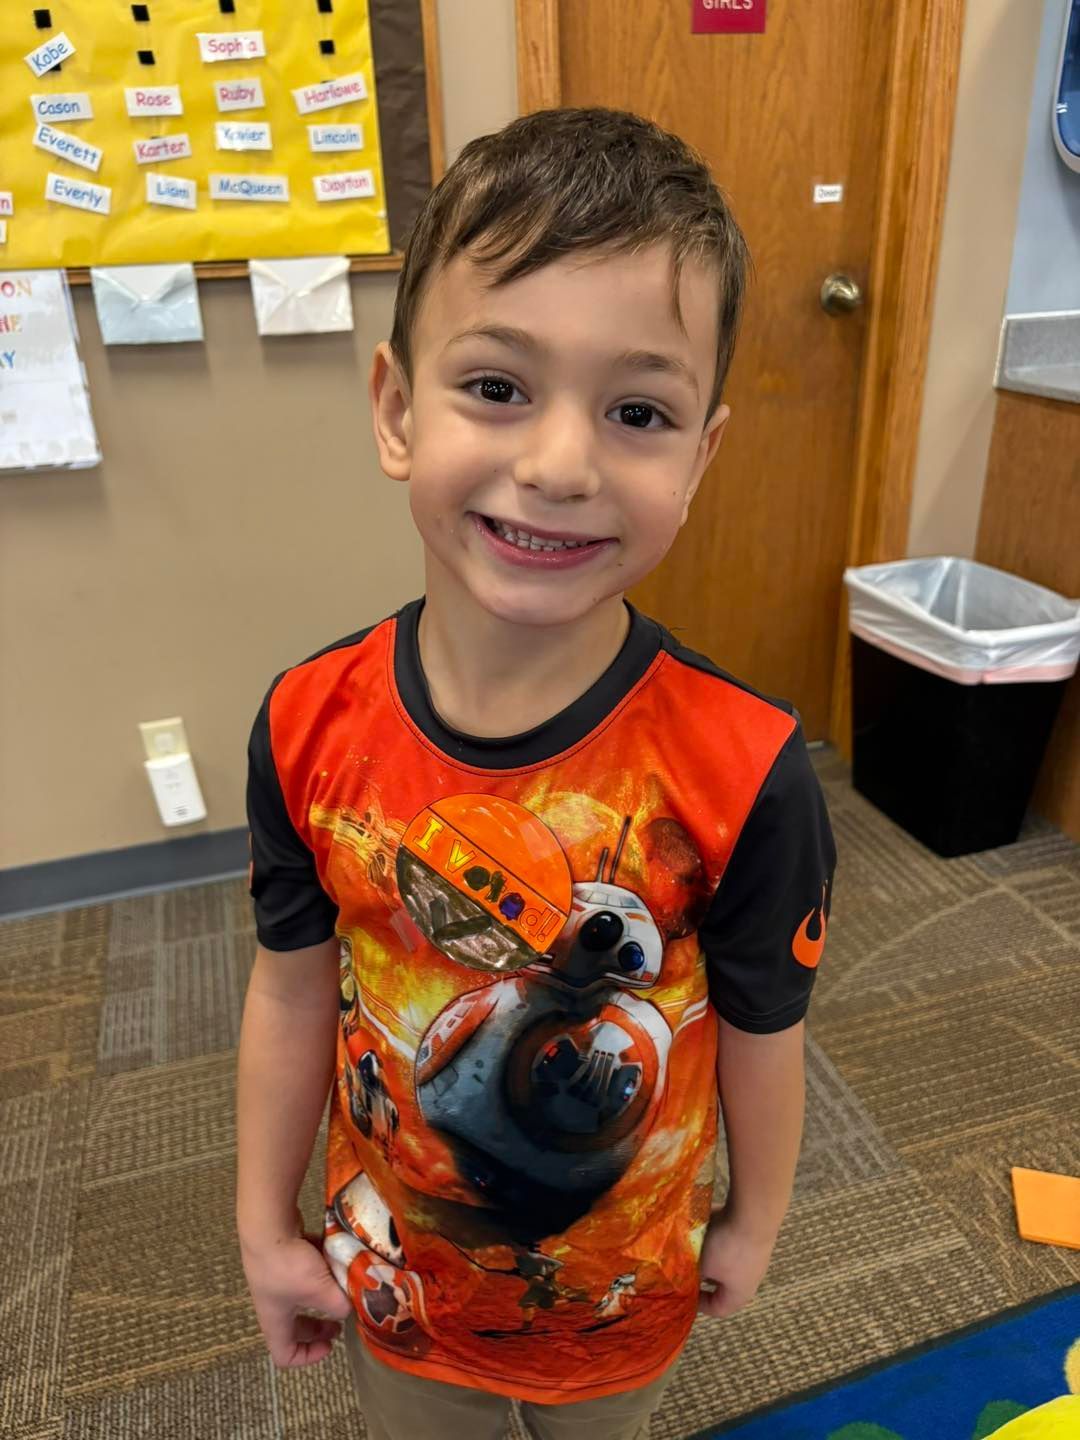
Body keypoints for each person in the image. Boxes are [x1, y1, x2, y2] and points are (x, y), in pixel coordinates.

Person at [237, 106, 836, 1440]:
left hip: (620, 1294)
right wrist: (260, 1225)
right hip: (395, 1275)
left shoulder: (746, 769)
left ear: (700, 456)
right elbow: (290, 992)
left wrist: (759, 1218)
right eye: (497, 386)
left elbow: (763, 1028)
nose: (560, 463)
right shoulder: (306, 727)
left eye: (638, 411)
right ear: (396, 409)